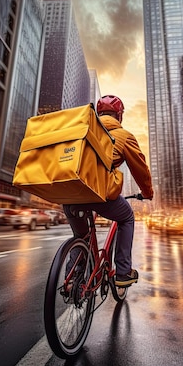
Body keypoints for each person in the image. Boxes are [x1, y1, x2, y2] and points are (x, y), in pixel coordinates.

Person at [63, 95, 154, 287]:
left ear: (98, 114)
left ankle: (72, 280)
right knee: (127, 217)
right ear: (119, 116)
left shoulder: (82, 130)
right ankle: (123, 273)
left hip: (69, 193)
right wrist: (147, 193)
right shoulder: (124, 135)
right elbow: (141, 169)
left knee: (81, 237)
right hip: (98, 193)